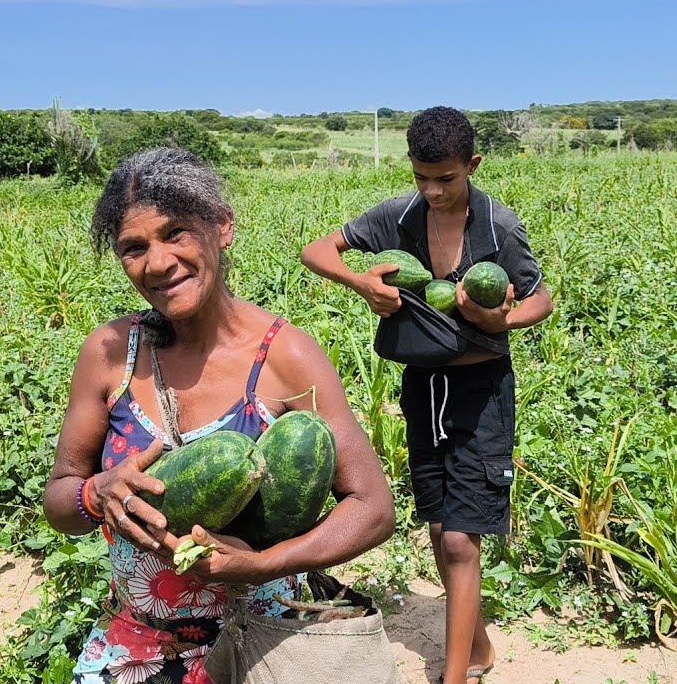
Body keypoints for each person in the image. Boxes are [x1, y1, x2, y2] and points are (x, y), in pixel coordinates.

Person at [44, 147, 396, 684]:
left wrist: (262, 564)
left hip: (263, 640)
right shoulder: (110, 353)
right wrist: (96, 493)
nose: (157, 263)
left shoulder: (285, 357)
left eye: (176, 232)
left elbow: (373, 508)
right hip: (139, 641)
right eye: (133, 247)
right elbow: (59, 500)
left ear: (222, 227)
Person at [300, 107, 554, 684]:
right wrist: (360, 282)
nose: (433, 191)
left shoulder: (498, 226)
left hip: (480, 388)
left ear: (473, 165)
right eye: (421, 177)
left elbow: (542, 299)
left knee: (462, 538)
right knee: (441, 527)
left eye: (446, 179)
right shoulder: (399, 216)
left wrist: (499, 318)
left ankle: (455, 675)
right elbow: (317, 250)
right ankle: (478, 645)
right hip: (422, 385)